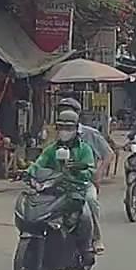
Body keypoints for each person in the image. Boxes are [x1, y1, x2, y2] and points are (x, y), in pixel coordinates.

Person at [28, 109, 96, 248]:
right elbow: (38, 164)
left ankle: (93, 241)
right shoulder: (51, 149)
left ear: (76, 129)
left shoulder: (84, 149)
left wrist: (78, 169)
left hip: (80, 187)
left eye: (69, 128)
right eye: (61, 127)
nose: (64, 131)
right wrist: (27, 172)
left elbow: (90, 171)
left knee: (90, 203)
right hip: (55, 187)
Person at [54, 97, 113, 253]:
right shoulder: (55, 134)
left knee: (90, 201)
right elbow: (45, 157)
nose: (65, 114)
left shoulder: (90, 134)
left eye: (69, 111)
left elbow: (108, 154)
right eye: (62, 111)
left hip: (83, 181)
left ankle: (96, 238)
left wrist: (98, 174)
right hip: (58, 179)